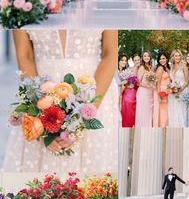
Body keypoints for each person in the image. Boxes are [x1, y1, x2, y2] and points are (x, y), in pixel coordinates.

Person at [3, 30, 118, 173]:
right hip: (40, 93)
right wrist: (40, 116)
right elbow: (25, 56)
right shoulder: (20, 7)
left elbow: (110, 53)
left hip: (94, 93)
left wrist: (83, 117)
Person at [168, 50, 189, 127]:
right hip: (172, 94)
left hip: (181, 92)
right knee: (173, 112)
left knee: (181, 113)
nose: (177, 57)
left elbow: (186, 81)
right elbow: (171, 80)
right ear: (173, 57)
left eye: (179, 55)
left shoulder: (184, 66)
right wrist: (170, 88)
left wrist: (179, 90)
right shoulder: (171, 66)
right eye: (175, 56)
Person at [135, 50, 154, 127]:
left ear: (150, 57)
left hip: (150, 93)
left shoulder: (151, 67)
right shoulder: (141, 67)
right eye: (145, 56)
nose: (146, 57)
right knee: (143, 112)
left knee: (149, 112)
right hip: (143, 92)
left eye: (148, 56)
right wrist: (148, 86)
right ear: (142, 58)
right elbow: (138, 82)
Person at [121, 54, 141, 127]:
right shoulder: (130, 69)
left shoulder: (141, 69)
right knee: (128, 111)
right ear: (133, 61)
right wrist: (128, 85)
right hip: (129, 93)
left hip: (138, 93)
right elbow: (124, 80)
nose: (137, 61)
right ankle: (126, 126)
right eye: (135, 60)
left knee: (136, 113)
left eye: (138, 60)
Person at [153, 52, 170, 128]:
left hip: (167, 93)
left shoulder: (167, 67)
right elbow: (158, 82)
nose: (162, 60)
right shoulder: (160, 68)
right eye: (160, 59)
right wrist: (159, 95)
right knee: (161, 113)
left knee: (165, 113)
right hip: (160, 93)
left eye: (163, 58)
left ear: (167, 59)